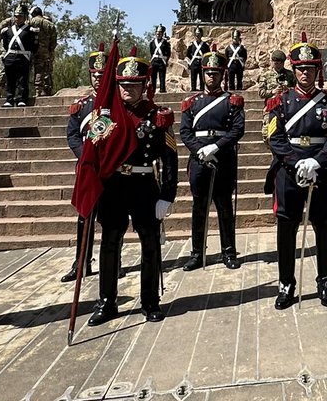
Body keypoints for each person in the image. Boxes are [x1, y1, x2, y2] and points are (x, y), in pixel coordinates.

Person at [88, 50, 178, 326]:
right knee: (110, 243)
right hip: (113, 186)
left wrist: (167, 194)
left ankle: (150, 301)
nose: (128, 89)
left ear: (144, 86)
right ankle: (107, 302)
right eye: (123, 85)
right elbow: (91, 154)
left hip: (143, 186)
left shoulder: (157, 116)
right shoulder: (104, 115)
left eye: (134, 84)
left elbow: (170, 159)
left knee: (149, 244)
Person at [264, 35, 327, 308]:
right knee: (287, 229)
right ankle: (286, 284)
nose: (304, 73)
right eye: (300, 68)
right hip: (290, 172)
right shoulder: (280, 102)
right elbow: (274, 138)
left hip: (320, 172)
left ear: (316, 71)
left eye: (310, 68)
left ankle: (325, 281)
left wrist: (317, 162)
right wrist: (296, 162)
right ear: (293, 69)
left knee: (324, 227)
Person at [179, 50, 245, 270]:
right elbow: (185, 132)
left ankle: (229, 251)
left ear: (222, 75)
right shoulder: (192, 103)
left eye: (216, 73)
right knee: (199, 208)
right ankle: (197, 252)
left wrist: (216, 146)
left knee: (224, 207)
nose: (211, 77)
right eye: (208, 73)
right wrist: (200, 150)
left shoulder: (232, 102)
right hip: (199, 160)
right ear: (203, 74)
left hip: (223, 158)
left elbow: (237, 129)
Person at [62, 45, 108, 282]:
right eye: (95, 75)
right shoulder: (81, 106)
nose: (98, 78)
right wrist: (85, 155)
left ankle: (113, 261)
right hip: (87, 168)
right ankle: (81, 263)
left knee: (110, 219)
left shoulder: (116, 104)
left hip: (110, 169)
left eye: (103, 74)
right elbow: (71, 135)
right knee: (84, 216)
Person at [0, 3, 37, 107]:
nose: (17, 18)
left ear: (25, 17)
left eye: (20, 16)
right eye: (16, 16)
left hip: (23, 57)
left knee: (22, 80)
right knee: (10, 80)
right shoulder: (7, 31)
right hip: (10, 57)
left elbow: (33, 46)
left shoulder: (30, 31)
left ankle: (22, 99)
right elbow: (6, 45)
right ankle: (9, 99)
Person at [29, 6, 57, 97]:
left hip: (30, 51)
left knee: (28, 71)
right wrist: (50, 50)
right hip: (45, 52)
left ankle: (24, 91)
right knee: (43, 71)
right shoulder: (49, 24)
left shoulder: (30, 22)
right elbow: (53, 41)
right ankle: (40, 91)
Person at [184, 28, 209, 92]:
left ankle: (202, 90)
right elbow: (188, 55)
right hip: (194, 62)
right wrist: (189, 63)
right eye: (196, 34)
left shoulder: (205, 45)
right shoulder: (191, 45)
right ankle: (193, 89)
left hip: (202, 62)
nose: (197, 36)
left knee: (202, 78)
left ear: (201, 35)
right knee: (193, 77)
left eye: (199, 34)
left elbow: (207, 55)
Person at [149, 26, 171, 94]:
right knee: (153, 77)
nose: (158, 34)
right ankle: (153, 91)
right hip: (154, 61)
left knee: (162, 77)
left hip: (162, 61)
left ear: (162, 34)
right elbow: (151, 52)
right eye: (157, 33)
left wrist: (166, 60)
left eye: (160, 33)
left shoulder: (165, 43)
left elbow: (168, 53)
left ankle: (162, 91)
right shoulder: (152, 42)